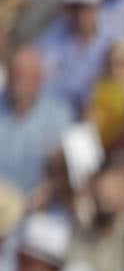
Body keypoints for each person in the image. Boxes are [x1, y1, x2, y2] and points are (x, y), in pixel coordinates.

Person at [36, 0, 124, 112]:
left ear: (97, 5)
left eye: (86, 6)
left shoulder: (113, 42)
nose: (80, 13)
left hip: (94, 115)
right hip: (51, 112)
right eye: (75, 6)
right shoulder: (51, 36)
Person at [0, 46, 76, 192]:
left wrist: (49, 188)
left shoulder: (59, 114)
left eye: (23, 75)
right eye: (14, 74)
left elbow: (69, 167)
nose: (18, 82)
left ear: (38, 78)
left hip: (40, 203)